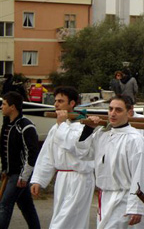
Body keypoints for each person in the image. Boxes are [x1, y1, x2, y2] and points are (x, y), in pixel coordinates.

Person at [75, 95, 144, 228]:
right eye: (110, 109)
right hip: (105, 196)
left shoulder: (135, 140)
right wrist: (89, 129)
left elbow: (139, 173)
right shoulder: (103, 134)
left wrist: (136, 207)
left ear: (129, 112)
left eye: (118, 110)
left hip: (123, 199)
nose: (113, 114)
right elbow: (84, 153)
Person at [30, 86, 95, 229]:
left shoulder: (83, 126)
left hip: (79, 178)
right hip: (62, 179)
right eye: (55, 101)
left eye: (61, 101)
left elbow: (76, 148)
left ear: (72, 104)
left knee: (65, 220)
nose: (56, 104)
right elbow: (47, 154)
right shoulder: (56, 128)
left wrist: (61, 124)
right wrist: (38, 180)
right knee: (62, 216)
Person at [0, 92, 40, 228]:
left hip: (20, 174)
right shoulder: (7, 124)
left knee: (5, 204)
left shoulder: (26, 126)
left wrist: (24, 176)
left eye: (4, 104)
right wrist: (4, 169)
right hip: (11, 172)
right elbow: (5, 150)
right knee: (26, 205)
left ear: (12, 107)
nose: (1, 107)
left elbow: (32, 152)